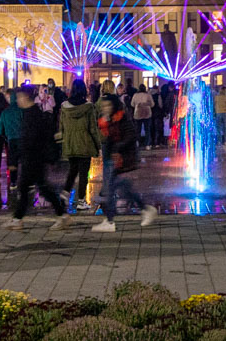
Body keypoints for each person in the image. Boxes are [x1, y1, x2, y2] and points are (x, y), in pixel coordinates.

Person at [7, 85, 70, 231]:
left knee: (37, 189)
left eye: (19, 97)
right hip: (32, 158)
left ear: (25, 97)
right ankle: (19, 218)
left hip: (33, 158)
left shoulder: (33, 115)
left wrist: (17, 157)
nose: (18, 100)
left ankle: (61, 215)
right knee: (35, 188)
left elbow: (31, 139)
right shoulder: (31, 113)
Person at [92, 95, 156, 232]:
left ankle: (111, 221)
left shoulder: (122, 118)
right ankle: (144, 209)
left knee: (112, 187)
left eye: (108, 105)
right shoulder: (108, 119)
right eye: (103, 106)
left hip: (123, 157)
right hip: (115, 157)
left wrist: (117, 147)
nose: (105, 108)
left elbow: (131, 136)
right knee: (119, 186)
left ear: (114, 105)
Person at [60, 80, 101, 211]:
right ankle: (81, 201)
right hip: (85, 143)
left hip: (70, 143)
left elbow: (62, 127)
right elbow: (93, 129)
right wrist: (98, 145)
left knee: (72, 170)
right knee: (84, 173)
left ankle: (65, 193)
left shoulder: (64, 107)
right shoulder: (88, 107)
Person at [0, 89, 22, 197]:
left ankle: (13, 182)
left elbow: (0, 128)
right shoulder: (21, 110)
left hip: (11, 139)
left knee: (13, 161)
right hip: (21, 139)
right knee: (24, 160)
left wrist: (5, 135)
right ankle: (27, 181)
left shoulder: (5, 112)